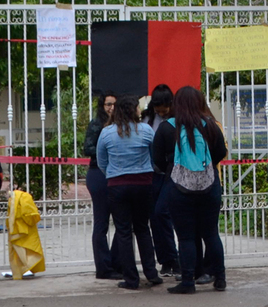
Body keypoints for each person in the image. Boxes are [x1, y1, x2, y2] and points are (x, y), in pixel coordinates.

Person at [151, 86, 229, 293]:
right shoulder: (210, 126)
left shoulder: (167, 128)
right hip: (209, 186)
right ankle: (220, 278)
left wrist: (172, 167)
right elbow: (221, 152)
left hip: (178, 188)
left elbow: (156, 159)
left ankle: (187, 282)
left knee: (185, 237)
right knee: (211, 233)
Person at [96, 95, 163, 289]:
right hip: (143, 183)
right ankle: (151, 273)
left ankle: (131, 278)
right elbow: (154, 156)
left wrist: (113, 174)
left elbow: (102, 161)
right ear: (133, 110)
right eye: (137, 108)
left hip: (117, 185)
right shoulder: (146, 130)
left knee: (124, 231)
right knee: (143, 228)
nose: (140, 111)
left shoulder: (107, 133)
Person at [142, 83, 180, 275]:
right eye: (159, 110)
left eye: (165, 109)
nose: (162, 113)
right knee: (154, 218)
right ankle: (165, 260)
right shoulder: (146, 119)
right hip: (152, 173)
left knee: (162, 213)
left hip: (171, 173)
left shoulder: (177, 120)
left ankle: (174, 257)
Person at [82, 93, 118, 279]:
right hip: (99, 174)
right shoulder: (97, 124)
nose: (111, 108)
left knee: (122, 222)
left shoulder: (121, 125)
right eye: (108, 104)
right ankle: (104, 268)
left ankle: (116, 262)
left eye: (114, 104)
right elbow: (87, 148)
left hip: (117, 175)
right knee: (101, 223)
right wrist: (104, 146)